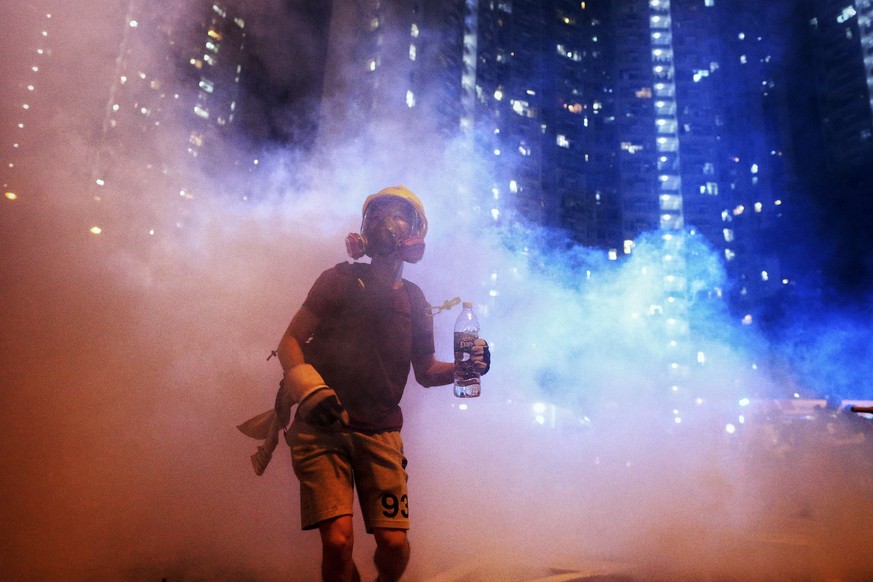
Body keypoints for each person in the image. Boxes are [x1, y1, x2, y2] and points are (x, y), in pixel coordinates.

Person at [240, 185, 490, 582]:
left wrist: (468, 368)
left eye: (397, 215)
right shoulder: (336, 280)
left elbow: (425, 370)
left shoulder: (415, 300)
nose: (384, 224)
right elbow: (289, 342)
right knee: (338, 543)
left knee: (393, 546)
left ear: (416, 231)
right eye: (376, 215)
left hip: (380, 431)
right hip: (322, 427)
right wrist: (308, 388)